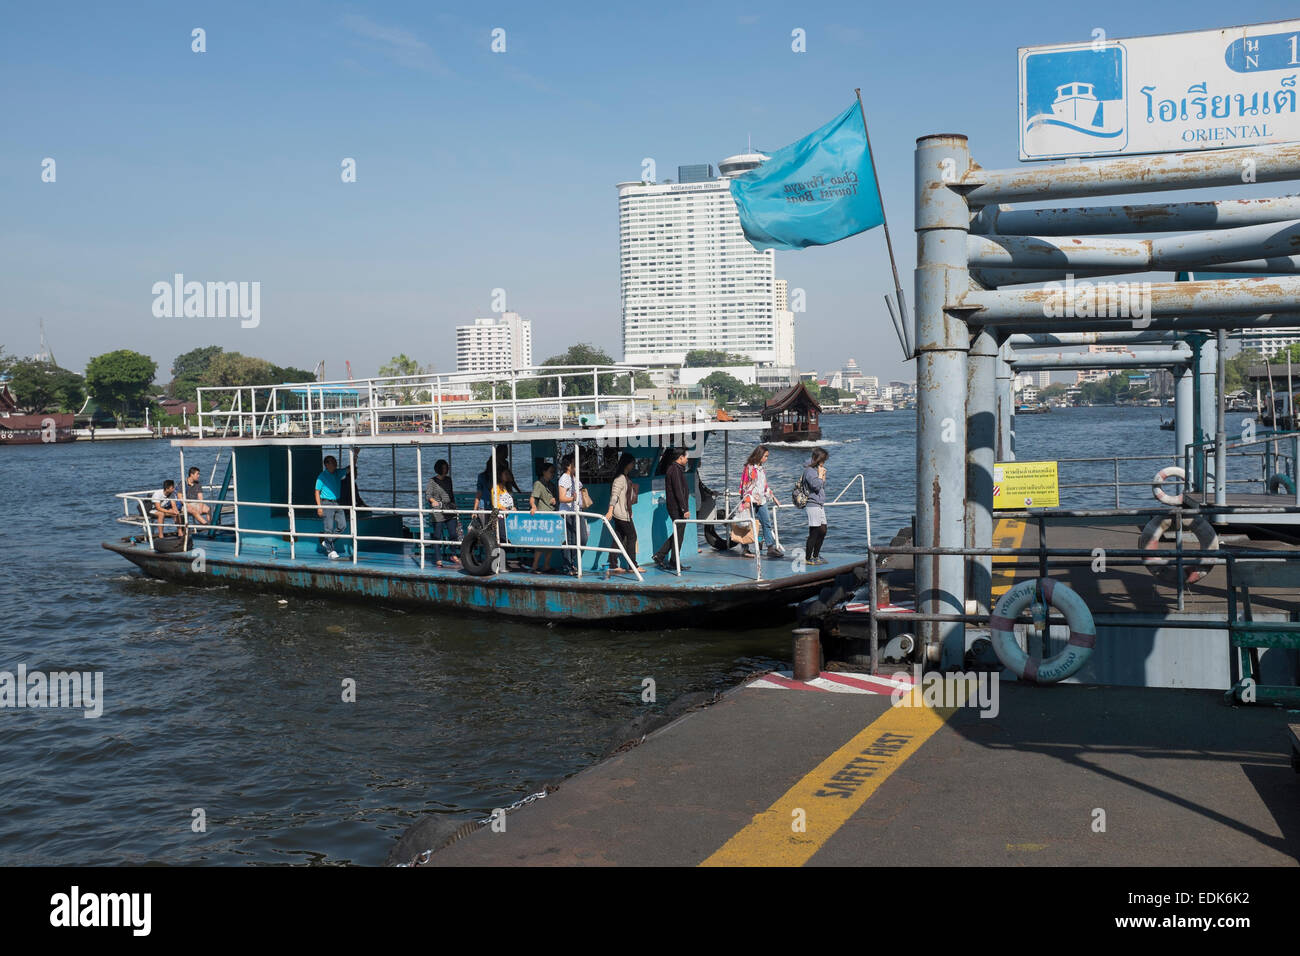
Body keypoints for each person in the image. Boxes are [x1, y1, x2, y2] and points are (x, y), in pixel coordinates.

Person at [739, 445, 783, 558]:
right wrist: (749, 499)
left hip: (761, 501)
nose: (766, 459)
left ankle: (770, 547)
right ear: (759, 455)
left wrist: (773, 497)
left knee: (766, 523)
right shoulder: (749, 468)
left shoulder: (762, 469)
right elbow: (745, 486)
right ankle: (745, 549)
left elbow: (764, 486)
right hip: (750, 501)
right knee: (748, 525)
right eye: (765, 456)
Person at [316, 449, 360, 560]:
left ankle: (327, 541)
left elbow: (349, 468)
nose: (335, 463)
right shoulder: (322, 476)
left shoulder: (337, 473)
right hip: (326, 503)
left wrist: (355, 455)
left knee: (342, 525)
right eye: (333, 462)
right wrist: (319, 507)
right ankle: (330, 550)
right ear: (327, 464)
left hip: (337, 502)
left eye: (335, 461)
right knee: (329, 527)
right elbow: (317, 491)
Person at [652, 447, 691, 572]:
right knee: (678, 534)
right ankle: (666, 557)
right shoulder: (674, 470)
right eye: (686, 457)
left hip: (677, 507)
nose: (687, 459)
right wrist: (684, 509)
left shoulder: (676, 469)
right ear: (680, 457)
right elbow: (678, 490)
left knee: (678, 534)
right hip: (677, 508)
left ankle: (668, 558)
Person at [605, 452, 643, 573]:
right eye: (632, 463)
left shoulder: (625, 477)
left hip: (624, 512)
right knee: (632, 536)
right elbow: (614, 495)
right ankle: (633, 566)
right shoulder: (620, 478)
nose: (633, 465)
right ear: (627, 464)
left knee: (619, 537)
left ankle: (613, 563)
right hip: (620, 514)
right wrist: (610, 511)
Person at [557, 453, 591, 574]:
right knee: (569, 540)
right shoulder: (564, 478)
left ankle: (572, 563)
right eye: (574, 462)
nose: (576, 465)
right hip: (567, 513)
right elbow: (561, 498)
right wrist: (573, 498)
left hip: (577, 511)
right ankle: (568, 566)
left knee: (582, 538)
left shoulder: (574, 477)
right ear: (568, 465)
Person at [424, 458, 459, 568]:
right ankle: (438, 559)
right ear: (439, 469)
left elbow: (451, 494)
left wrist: (455, 508)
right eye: (445, 467)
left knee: (453, 534)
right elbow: (428, 495)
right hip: (438, 511)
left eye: (447, 467)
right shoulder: (432, 481)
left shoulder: (449, 480)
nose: (447, 469)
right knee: (437, 536)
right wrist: (433, 501)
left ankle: (453, 554)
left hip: (449, 509)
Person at [529, 461, 558, 573]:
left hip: (551, 516)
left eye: (553, 472)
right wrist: (533, 507)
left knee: (551, 543)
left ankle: (546, 565)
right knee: (541, 543)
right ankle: (534, 566)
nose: (552, 474)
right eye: (550, 472)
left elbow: (556, 500)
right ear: (544, 472)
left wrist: (555, 501)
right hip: (543, 518)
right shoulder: (539, 484)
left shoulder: (552, 485)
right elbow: (533, 498)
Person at [803, 448, 829, 566]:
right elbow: (816, 486)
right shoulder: (809, 471)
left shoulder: (815, 469)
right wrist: (820, 475)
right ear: (818, 459)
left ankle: (816, 555)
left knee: (823, 530)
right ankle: (808, 558)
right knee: (814, 532)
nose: (824, 462)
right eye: (823, 460)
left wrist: (822, 476)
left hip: (819, 504)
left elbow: (821, 484)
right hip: (812, 504)